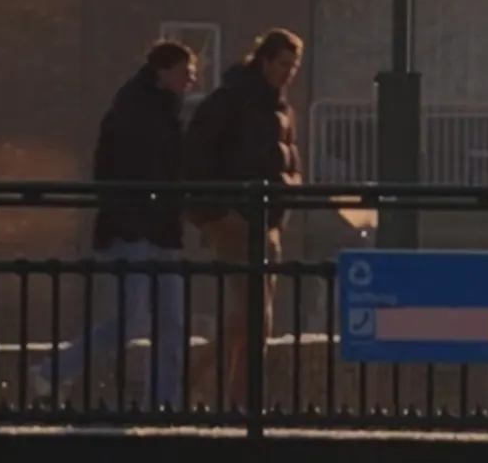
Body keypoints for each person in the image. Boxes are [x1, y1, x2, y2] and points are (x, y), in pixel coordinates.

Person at [53, 41, 197, 409]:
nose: (191, 79)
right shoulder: (133, 112)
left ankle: (164, 401)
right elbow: (117, 171)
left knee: (172, 323)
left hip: (160, 229)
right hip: (135, 230)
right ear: (162, 72)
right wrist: (135, 213)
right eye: (185, 71)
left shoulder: (164, 112)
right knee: (132, 321)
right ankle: (56, 369)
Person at [187, 30, 304, 410]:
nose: (289, 73)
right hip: (236, 218)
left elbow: (290, 161)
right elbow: (196, 157)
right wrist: (219, 212)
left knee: (260, 321)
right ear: (265, 61)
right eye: (283, 64)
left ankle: (238, 401)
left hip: (266, 220)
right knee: (251, 314)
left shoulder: (282, 110)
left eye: (294, 66)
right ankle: (206, 378)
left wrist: (289, 191)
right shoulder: (230, 102)